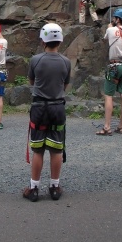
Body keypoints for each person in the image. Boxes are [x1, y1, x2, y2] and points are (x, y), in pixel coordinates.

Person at [23, 23, 71, 202]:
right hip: (58, 107)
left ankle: (34, 188)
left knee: (38, 149)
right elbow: (64, 85)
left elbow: (32, 82)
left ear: (43, 40)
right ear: (60, 40)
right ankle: (55, 186)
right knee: (56, 148)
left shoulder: (36, 60)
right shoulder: (66, 62)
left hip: (39, 107)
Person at [97, 8, 122, 136]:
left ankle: (107, 127)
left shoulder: (111, 30)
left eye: (115, 18)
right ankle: (121, 126)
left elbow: (105, 40)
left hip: (114, 65)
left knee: (109, 95)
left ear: (117, 19)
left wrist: (109, 27)